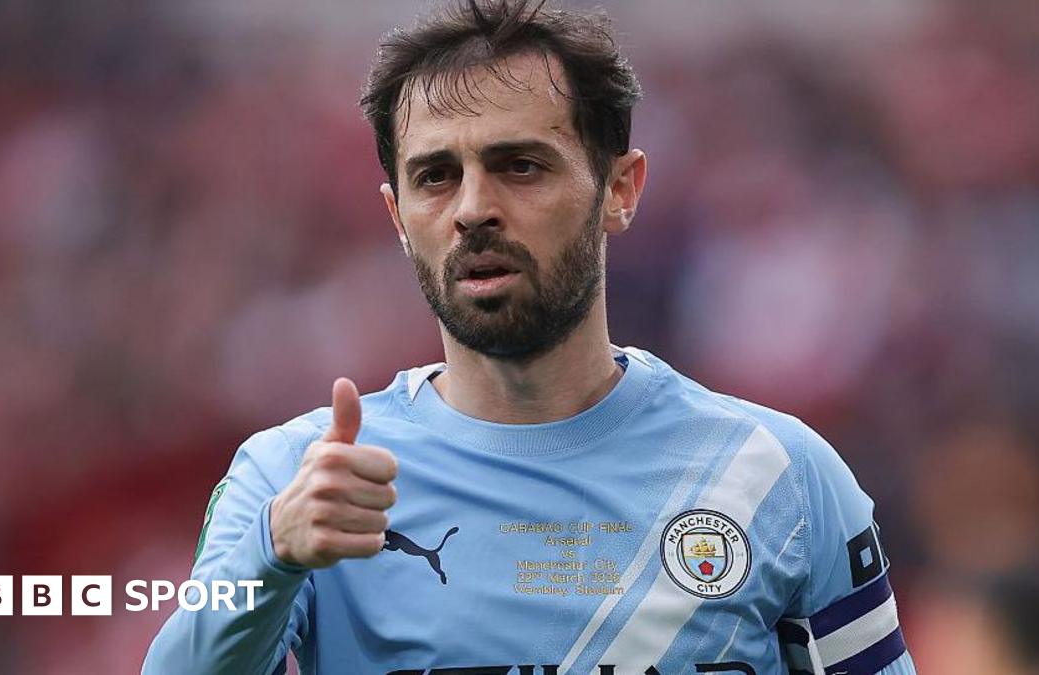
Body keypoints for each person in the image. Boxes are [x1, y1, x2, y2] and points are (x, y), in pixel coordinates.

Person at [143, 1, 917, 673]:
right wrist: (273, 555)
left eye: (519, 165)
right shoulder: (294, 477)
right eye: (435, 176)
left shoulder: (779, 478)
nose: (472, 207)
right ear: (397, 218)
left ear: (619, 188)